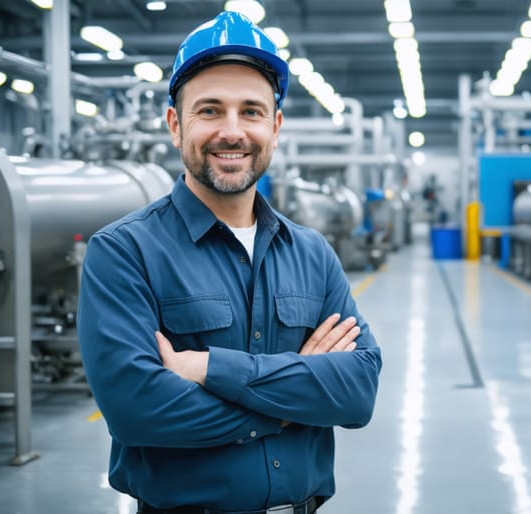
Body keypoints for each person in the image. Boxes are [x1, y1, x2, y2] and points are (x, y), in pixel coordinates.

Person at [77, 11, 382, 514]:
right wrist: (293, 401)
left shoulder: (312, 253)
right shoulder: (123, 252)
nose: (232, 132)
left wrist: (207, 367)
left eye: (252, 111)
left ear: (276, 126)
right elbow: (138, 411)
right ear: (176, 125)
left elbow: (356, 393)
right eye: (211, 111)